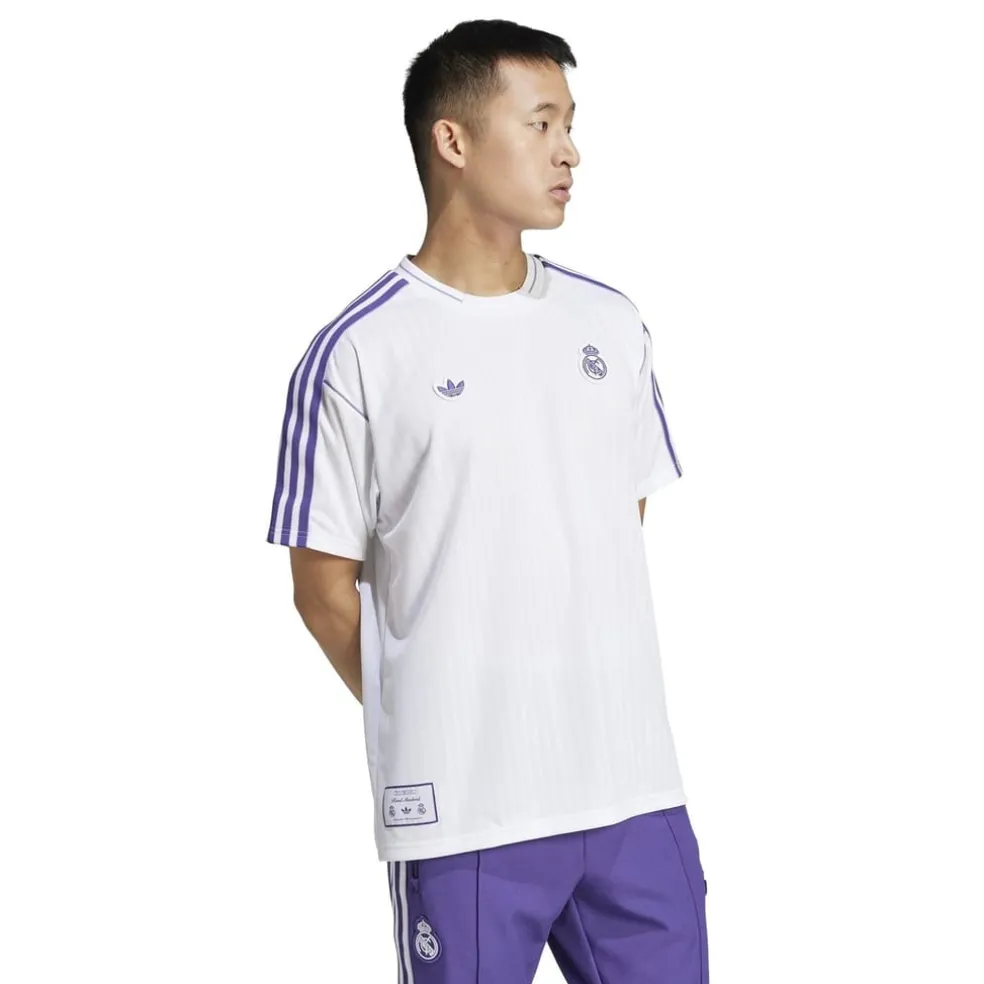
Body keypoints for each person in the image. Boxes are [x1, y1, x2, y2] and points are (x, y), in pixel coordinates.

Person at [266, 17, 708, 984]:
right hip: (465, 812)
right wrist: (443, 706)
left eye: (571, 124)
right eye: (541, 122)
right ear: (453, 141)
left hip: (634, 792)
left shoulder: (610, 323)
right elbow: (322, 587)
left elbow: (612, 516)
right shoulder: (358, 352)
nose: (570, 151)